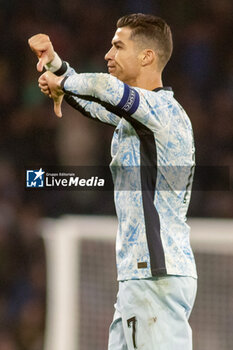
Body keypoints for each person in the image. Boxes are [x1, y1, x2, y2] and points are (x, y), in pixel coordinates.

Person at [28, 13, 197, 350]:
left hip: (154, 276)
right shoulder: (139, 118)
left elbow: (104, 89)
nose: (108, 54)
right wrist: (56, 67)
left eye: (118, 46)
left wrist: (63, 84)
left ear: (147, 56)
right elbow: (94, 103)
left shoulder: (162, 112)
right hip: (142, 278)